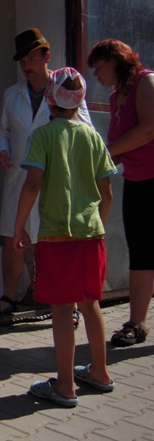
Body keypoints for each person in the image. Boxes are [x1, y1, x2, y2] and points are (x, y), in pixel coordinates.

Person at [14, 67, 117, 407]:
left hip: (57, 237)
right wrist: (97, 224)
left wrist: (19, 226)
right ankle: (100, 372)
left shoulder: (43, 136)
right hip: (91, 235)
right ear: (81, 100)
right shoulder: (93, 137)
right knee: (90, 304)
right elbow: (107, 191)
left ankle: (65, 385)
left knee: (62, 310)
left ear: (49, 98)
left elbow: (32, 184)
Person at [0, 28, 93, 317]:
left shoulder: (65, 88)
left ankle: (68, 302)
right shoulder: (12, 95)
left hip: (53, 180)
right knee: (12, 237)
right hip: (19, 177)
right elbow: (1, 131)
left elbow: (84, 128)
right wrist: (2, 149)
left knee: (54, 240)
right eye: (23, 60)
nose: (27, 65)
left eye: (32, 58)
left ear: (47, 57)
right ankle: (9, 296)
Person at [87, 39, 154, 347]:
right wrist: (88, 172)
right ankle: (136, 325)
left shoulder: (146, 82)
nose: (96, 76)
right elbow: (119, 150)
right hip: (137, 182)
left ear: (114, 61)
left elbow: (148, 129)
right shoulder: (116, 97)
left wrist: (105, 153)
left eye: (99, 67)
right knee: (141, 253)